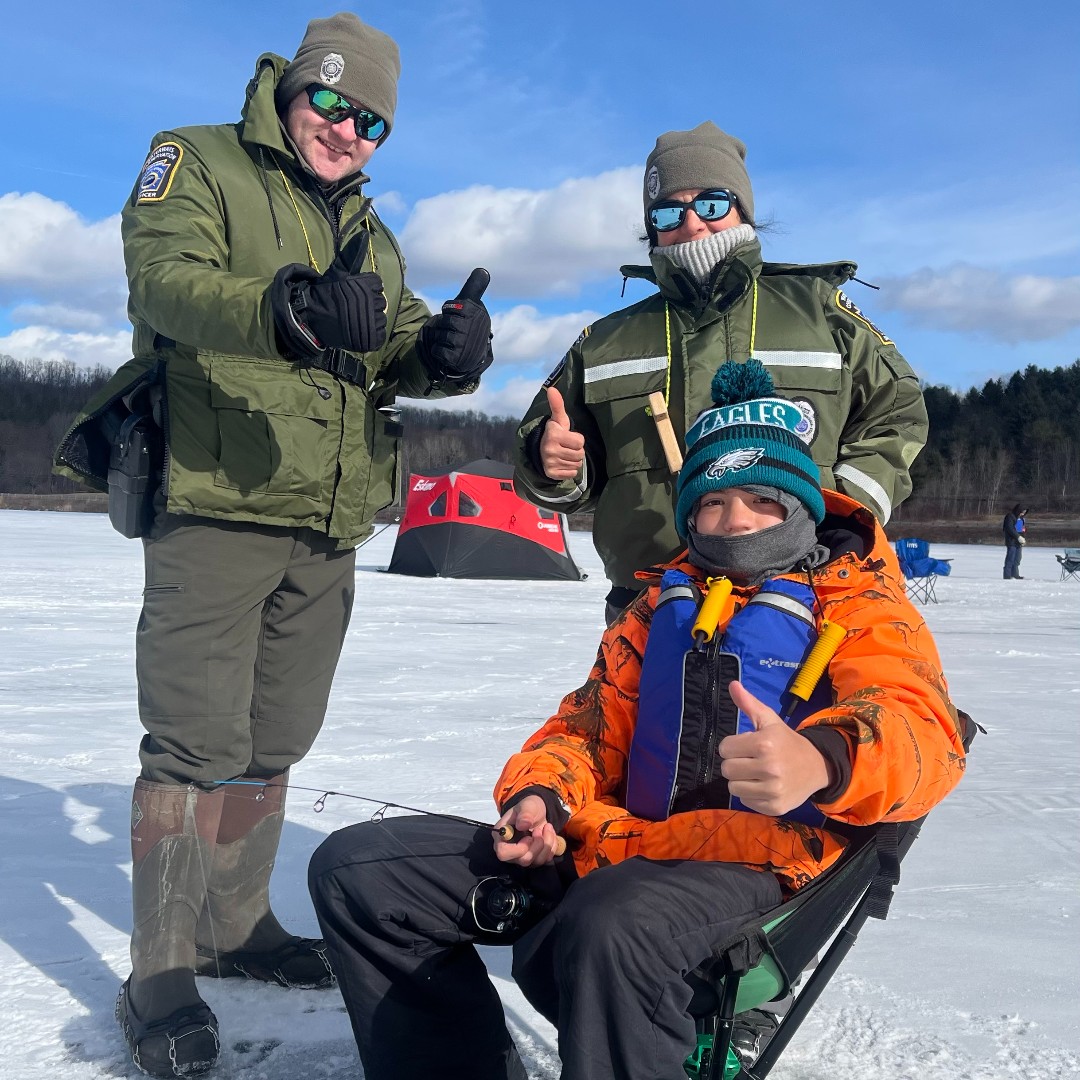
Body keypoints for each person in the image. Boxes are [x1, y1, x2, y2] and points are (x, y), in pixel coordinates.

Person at [308, 359, 968, 1080]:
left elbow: (920, 730)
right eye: (712, 505)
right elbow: (586, 731)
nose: (734, 520)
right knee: (359, 873)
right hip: (623, 844)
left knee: (612, 926)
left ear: (802, 506)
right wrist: (543, 799)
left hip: (757, 867)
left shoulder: (862, 605)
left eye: (761, 500)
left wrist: (822, 758)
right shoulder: (656, 609)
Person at [53, 13, 495, 1078]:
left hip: (328, 519)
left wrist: (442, 354)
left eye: (372, 122)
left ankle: (237, 927)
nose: (348, 132)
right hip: (216, 498)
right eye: (333, 105)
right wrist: (283, 307)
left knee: (273, 738)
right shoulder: (196, 161)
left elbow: (387, 343)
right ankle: (160, 972)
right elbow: (163, 280)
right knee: (191, 745)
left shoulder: (373, 234)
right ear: (295, 92)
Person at [513, 121, 929, 624]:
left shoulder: (821, 313)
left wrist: (843, 510)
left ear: (742, 208)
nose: (692, 225)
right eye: (669, 212)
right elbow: (557, 467)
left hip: (809, 594)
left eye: (710, 204)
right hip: (650, 605)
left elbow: (897, 418)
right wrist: (550, 460)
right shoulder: (604, 339)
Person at [1003, 503, 1028, 579]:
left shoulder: (1021, 518)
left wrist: (1023, 538)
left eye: (1024, 512)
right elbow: (1010, 528)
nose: (1023, 513)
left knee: (1017, 559)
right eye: (1022, 512)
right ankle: (1007, 575)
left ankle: (1015, 574)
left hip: (1018, 543)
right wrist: (1018, 537)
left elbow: (1021, 530)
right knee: (1010, 558)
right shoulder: (1010, 516)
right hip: (1012, 541)